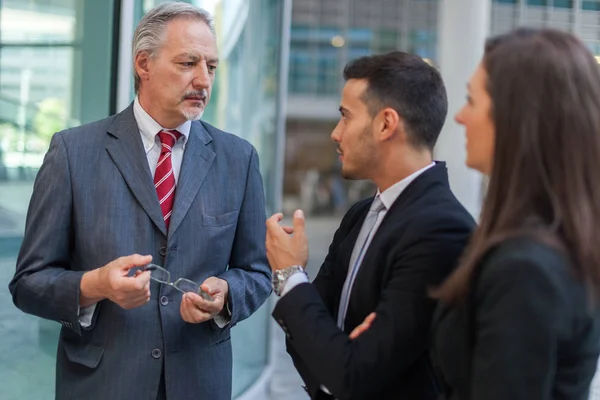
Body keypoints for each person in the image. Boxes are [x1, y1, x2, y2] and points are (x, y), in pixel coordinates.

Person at [8, 2, 271, 400]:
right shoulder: (73, 152)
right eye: (188, 63)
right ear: (143, 64)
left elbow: (256, 271)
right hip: (102, 384)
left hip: (199, 384)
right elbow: (28, 283)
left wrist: (226, 294)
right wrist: (95, 285)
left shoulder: (240, 158)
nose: (203, 79)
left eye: (212, 67)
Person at [266, 51, 476, 400]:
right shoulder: (360, 215)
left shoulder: (443, 230)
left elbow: (353, 372)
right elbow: (306, 338)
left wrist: (289, 274)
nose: (336, 133)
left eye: (346, 117)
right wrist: (334, 357)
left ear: (385, 124)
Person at [429, 28, 600, 400]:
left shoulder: (526, 269)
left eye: (471, 101)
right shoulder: (547, 243)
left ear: (517, 117)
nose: (459, 117)